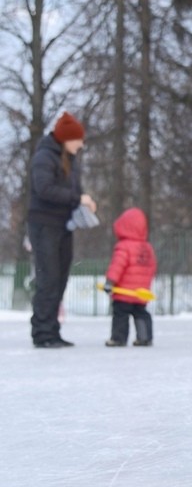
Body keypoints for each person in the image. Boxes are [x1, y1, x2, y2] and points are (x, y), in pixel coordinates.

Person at [27, 112, 98, 348]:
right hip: (44, 225)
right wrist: (79, 199)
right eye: (78, 139)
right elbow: (44, 189)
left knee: (60, 279)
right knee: (48, 278)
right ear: (66, 138)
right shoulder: (44, 157)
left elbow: (71, 189)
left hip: (63, 225)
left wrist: (84, 202)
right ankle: (42, 333)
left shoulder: (69, 159)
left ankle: (52, 331)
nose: (81, 143)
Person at [103, 207, 157, 347]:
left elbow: (117, 266)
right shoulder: (147, 247)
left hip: (124, 292)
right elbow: (151, 267)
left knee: (121, 314)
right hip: (140, 292)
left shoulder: (124, 246)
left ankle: (118, 338)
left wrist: (110, 282)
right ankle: (145, 337)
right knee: (141, 313)